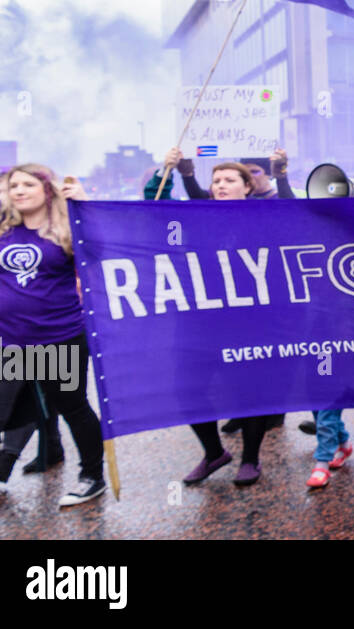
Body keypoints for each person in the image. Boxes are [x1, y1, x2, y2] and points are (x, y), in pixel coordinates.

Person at [0, 158, 107, 524]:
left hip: (58, 341)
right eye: (13, 186)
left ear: (47, 189)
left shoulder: (69, 228)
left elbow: (103, 252)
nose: (18, 191)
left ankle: (92, 475)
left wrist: (84, 205)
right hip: (7, 346)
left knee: (72, 408)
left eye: (27, 185)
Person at [149, 155, 274, 486]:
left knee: (249, 392)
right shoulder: (196, 216)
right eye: (216, 181)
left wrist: (284, 173)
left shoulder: (266, 217)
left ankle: (250, 460)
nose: (221, 185)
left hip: (248, 322)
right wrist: (166, 170)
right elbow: (156, 205)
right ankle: (214, 452)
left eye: (230, 180)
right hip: (197, 322)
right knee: (188, 390)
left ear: (248, 187)